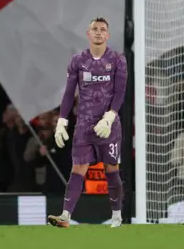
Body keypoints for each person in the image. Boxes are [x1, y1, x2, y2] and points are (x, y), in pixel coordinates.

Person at [47, 17, 127, 228]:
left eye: (103, 29)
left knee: (111, 169)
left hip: (109, 126)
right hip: (84, 125)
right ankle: (65, 215)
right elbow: (68, 93)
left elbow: (120, 93)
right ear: (88, 34)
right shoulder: (78, 61)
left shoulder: (118, 60)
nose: (99, 32)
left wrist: (109, 117)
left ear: (108, 35)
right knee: (78, 169)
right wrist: (62, 121)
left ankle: (117, 216)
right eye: (95, 29)